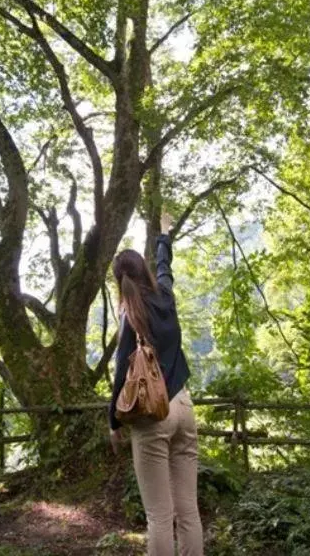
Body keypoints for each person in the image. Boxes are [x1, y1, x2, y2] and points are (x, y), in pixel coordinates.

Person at [108, 211, 203, 556]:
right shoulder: (165, 295)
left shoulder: (129, 315)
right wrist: (164, 234)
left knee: (160, 517)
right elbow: (165, 267)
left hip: (153, 416)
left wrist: (113, 422)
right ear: (144, 272)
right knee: (188, 510)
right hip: (184, 407)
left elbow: (122, 372)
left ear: (119, 281)